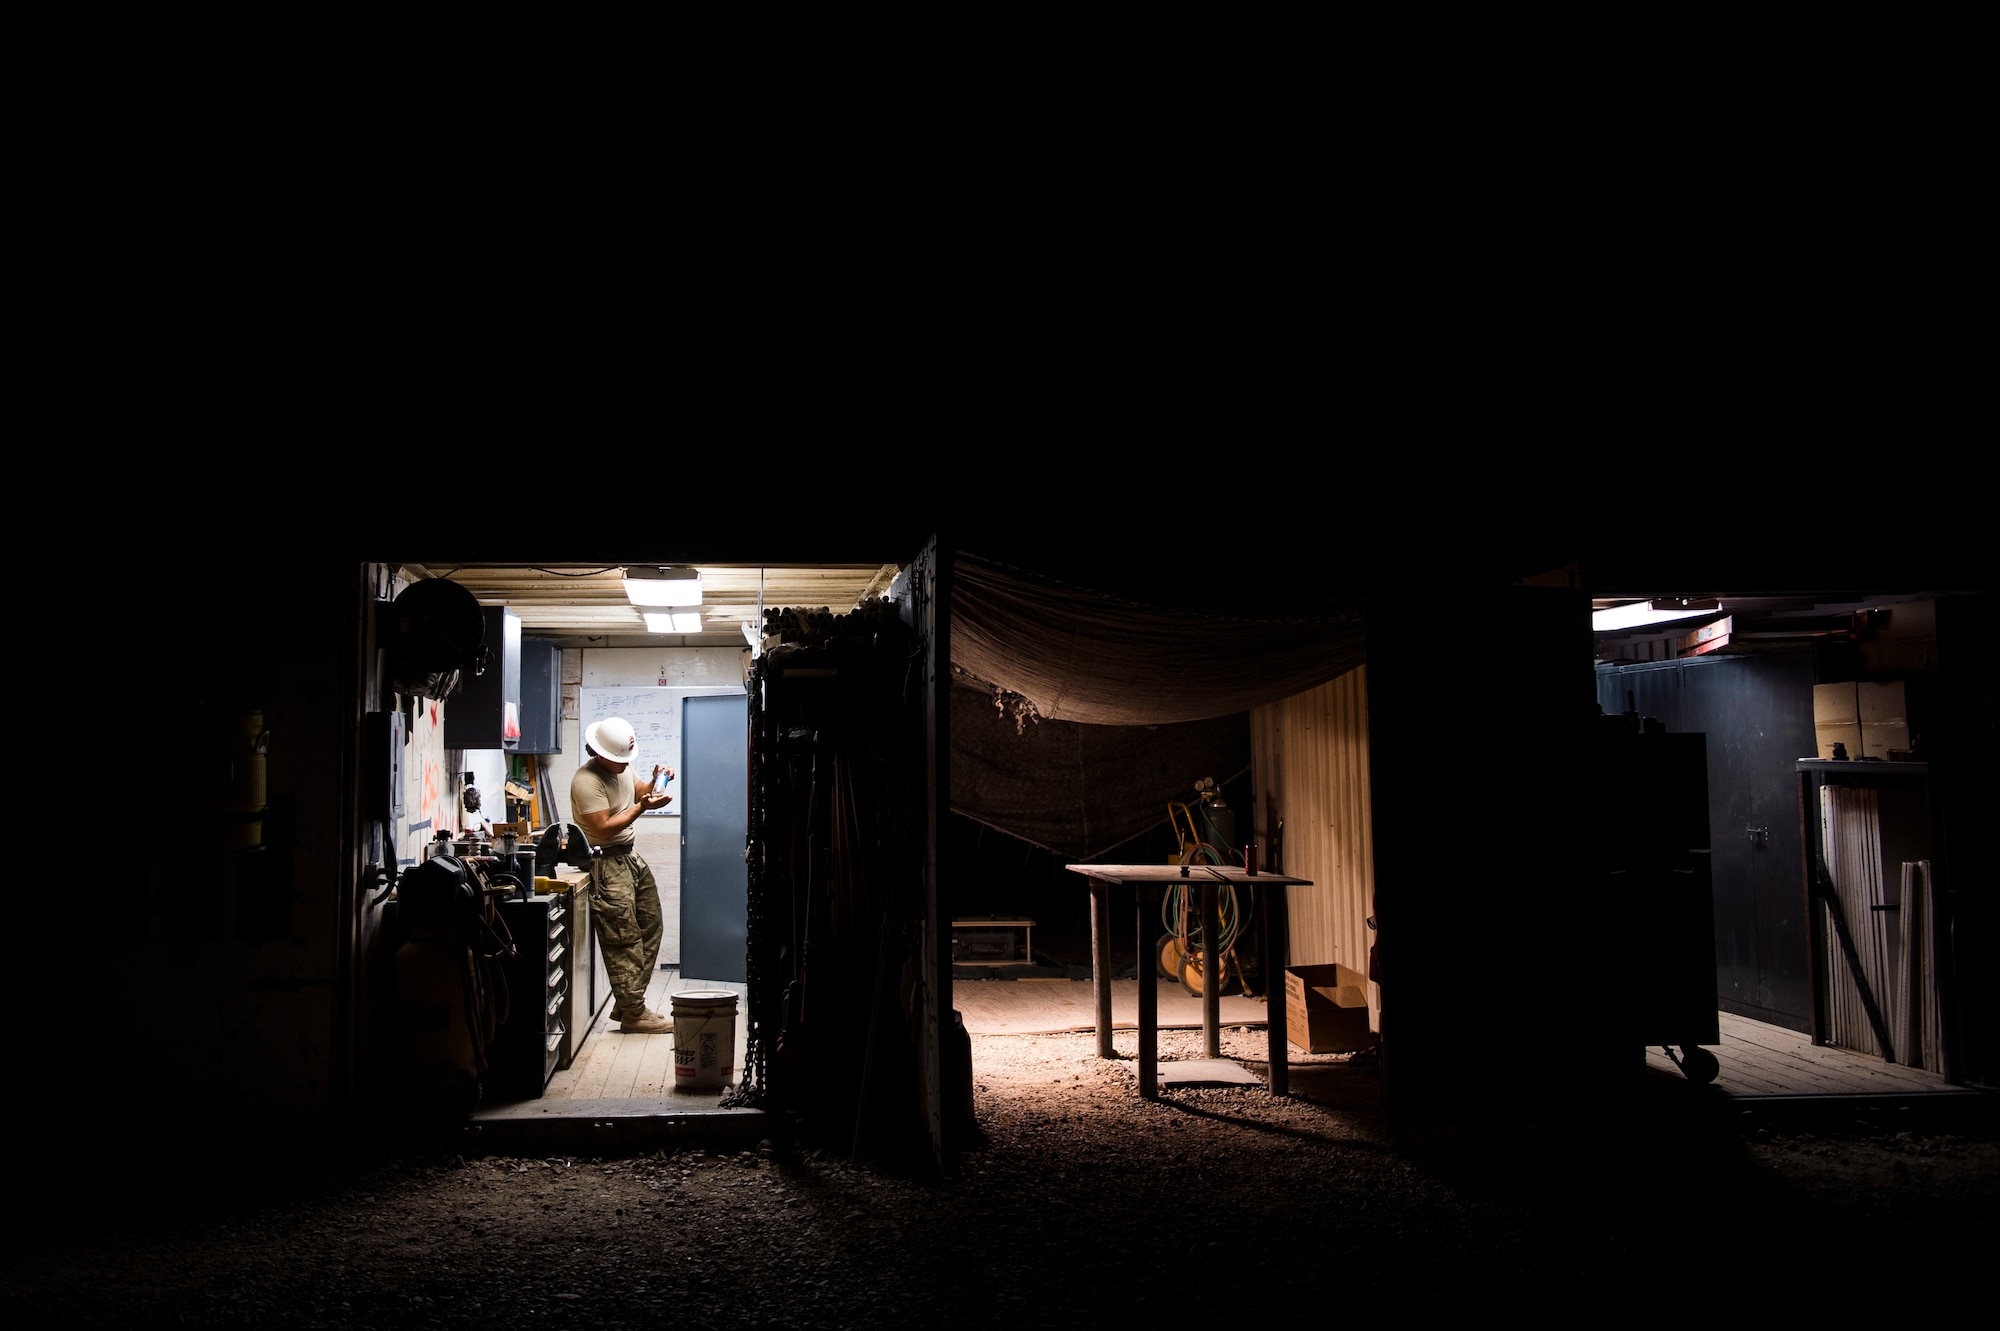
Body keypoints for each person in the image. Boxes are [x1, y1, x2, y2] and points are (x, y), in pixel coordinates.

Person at [569, 716, 675, 1034]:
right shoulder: (586, 781)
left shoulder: (621, 768)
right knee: (623, 938)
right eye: (619, 760)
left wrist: (655, 783)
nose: (625, 764)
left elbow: (637, 791)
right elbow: (602, 826)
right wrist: (642, 808)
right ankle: (634, 1012)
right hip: (605, 863)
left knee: (650, 924)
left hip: (629, 857)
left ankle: (630, 1005)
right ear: (601, 754)